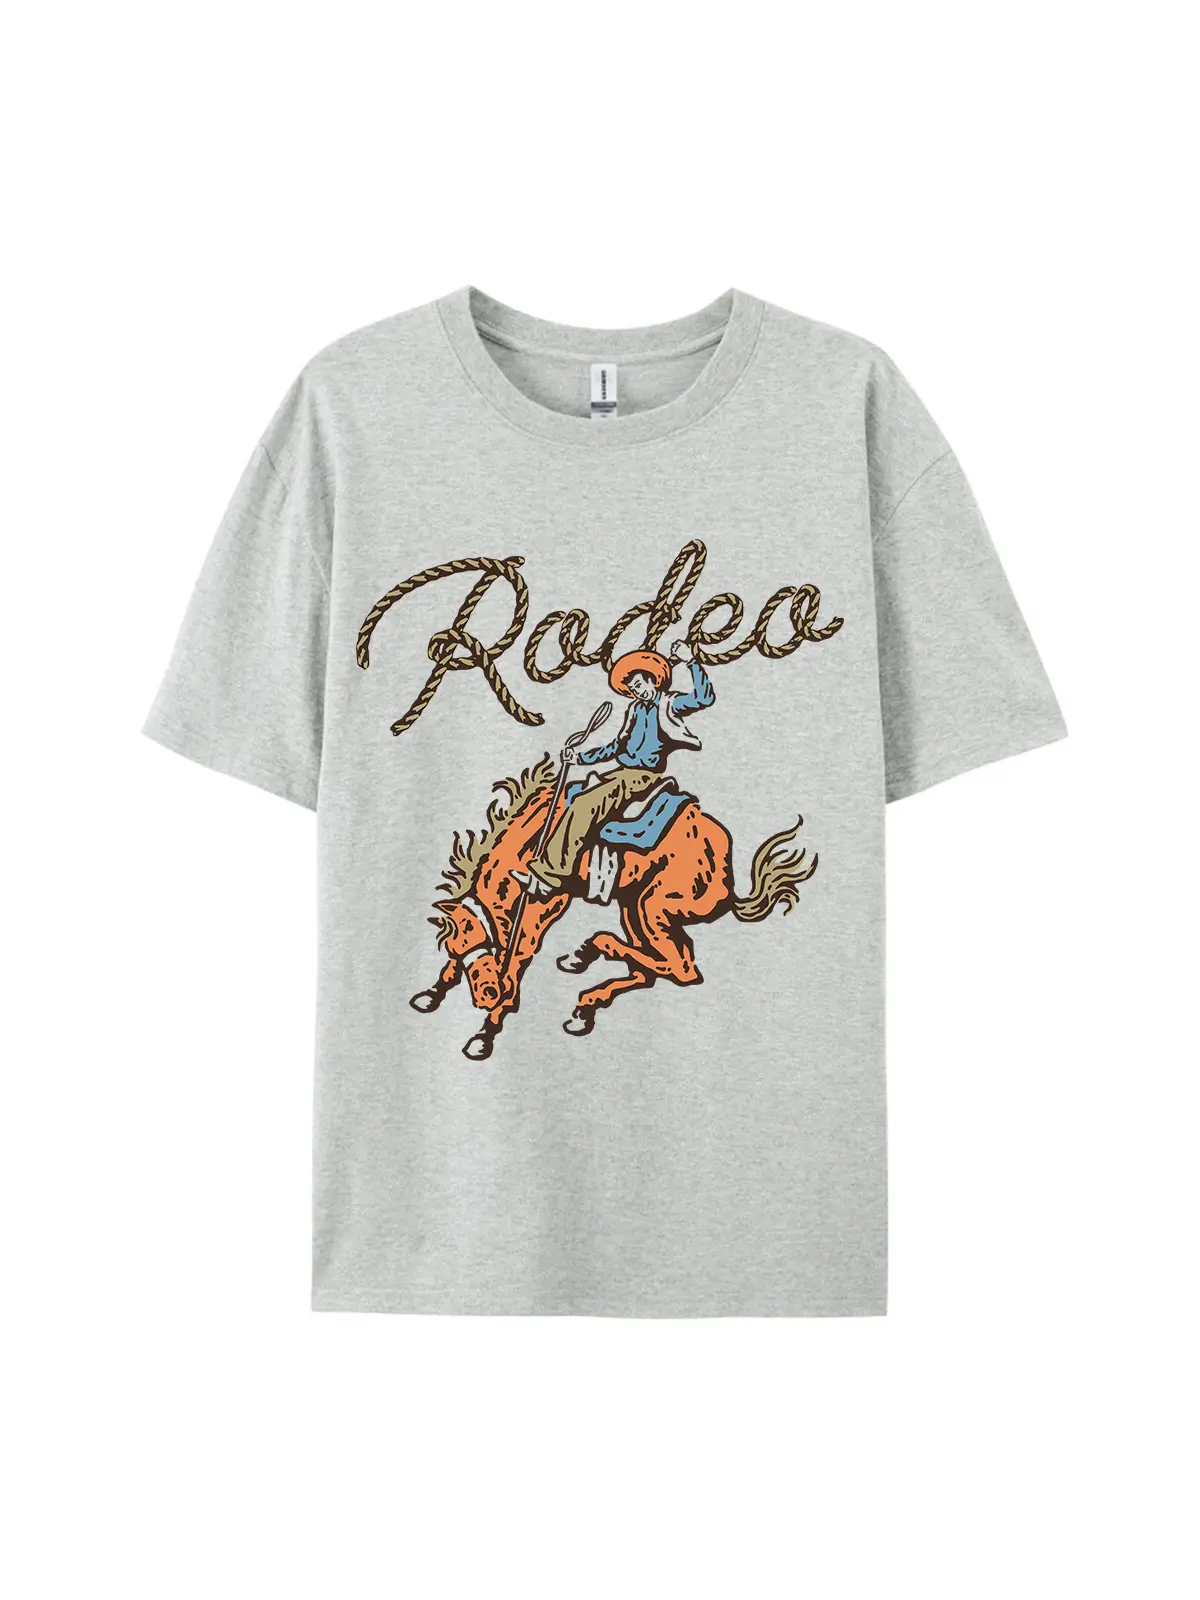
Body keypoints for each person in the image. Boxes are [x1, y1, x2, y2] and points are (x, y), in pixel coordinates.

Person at [514, 639, 715, 898]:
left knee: (584, 805)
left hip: (643, 777)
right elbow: (616, 747)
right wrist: (579, 758)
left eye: (640, 685)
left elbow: (704, 697)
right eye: (633, 689)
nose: (637, 691)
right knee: (572, 794)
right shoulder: (634, 710)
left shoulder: (669, 704)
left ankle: (550, 875)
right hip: (621, 773)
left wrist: (691, 661)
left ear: (653, 680)